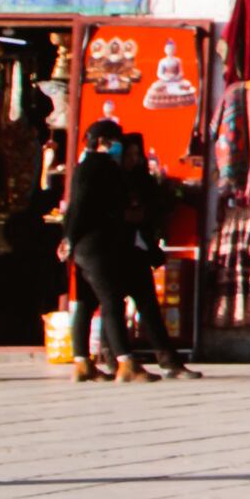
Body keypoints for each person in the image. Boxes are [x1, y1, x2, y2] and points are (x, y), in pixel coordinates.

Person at [59, 120, 188, 380]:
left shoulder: (85, 166)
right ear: (104, 142)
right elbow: (81, 206)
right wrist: (69, 238)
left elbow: (77, 207)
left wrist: (70, 239)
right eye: (115, 142)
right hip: (96, 246)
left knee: (85, 303)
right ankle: (126, 363)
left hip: (85, 246)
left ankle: (82, 363)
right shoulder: (100, 166)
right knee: (111, 301)